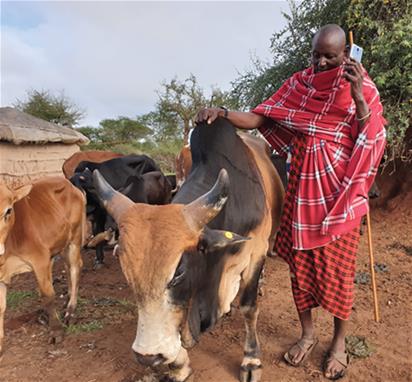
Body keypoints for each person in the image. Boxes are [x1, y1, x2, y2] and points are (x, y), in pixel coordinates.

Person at [196, 24, 386, 380]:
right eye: (316, 54)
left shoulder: (363, 87)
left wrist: (358, 94)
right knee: (300, 272)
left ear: (345, 54)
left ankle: (340, 342)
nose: (321, 62)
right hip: (301, 192)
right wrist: (222, 112)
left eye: (330, 56)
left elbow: (372, 136)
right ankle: (308, 335)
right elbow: (259, 117)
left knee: (339, 275)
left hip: (339, 198)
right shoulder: (299, 85)